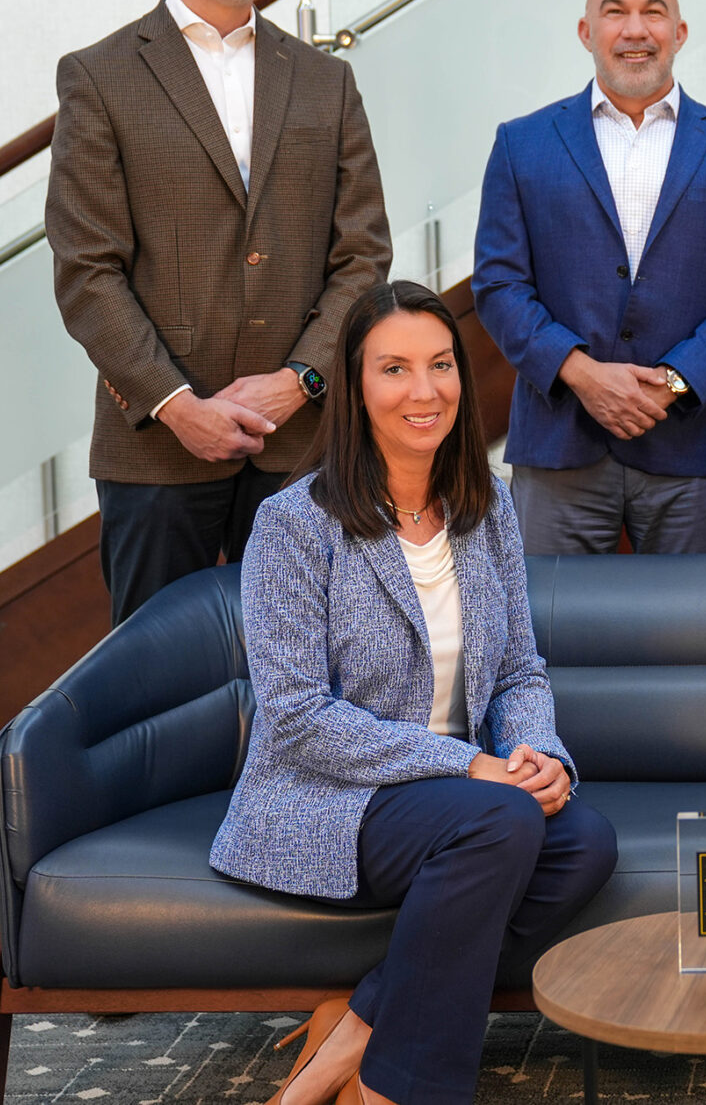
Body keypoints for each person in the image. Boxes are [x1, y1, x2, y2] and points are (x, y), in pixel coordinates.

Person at [210, 280, 617, 1105]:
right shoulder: (294, 524)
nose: (423, 390)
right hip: (330, 795)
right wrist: (470, 766)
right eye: (394, 368)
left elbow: (518, 670)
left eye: (440, 365)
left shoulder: (486, 503)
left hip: (459, 800)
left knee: (584, 840)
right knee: (500, 820)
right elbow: (296, 718)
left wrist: (539, 753)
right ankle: (400, 1090)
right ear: (356, 387)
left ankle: (358, 1024)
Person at [47, 0, 391, 625]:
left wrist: (300, 380)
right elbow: (87, 270)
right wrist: (176, 403)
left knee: (312, 667)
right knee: (154, 686)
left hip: (302, 443)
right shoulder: (99, 77)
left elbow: (363, 253)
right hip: (157, 447)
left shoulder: (325, 79)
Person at [471, 0, 706, 554]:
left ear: (680, 32)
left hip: (692, 445)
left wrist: (669, 383)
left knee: (694, 639)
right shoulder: (522, 144)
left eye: (654, 12)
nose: (635, 29)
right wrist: (584, 376)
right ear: (587, 32)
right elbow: (499, 285)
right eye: (614, 12)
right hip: (559, 442)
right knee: (550, 639)